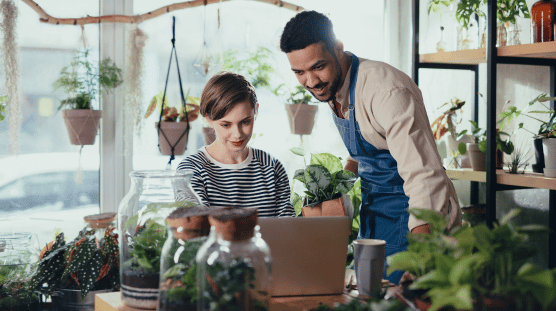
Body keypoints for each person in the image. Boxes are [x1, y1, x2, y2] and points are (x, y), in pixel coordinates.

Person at [280, 11, 462, 283]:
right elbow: (366, 147)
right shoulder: (335, 87)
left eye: (318, 67)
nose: (311, 81)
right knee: (368, 295)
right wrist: (335, 188)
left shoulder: (386, 90)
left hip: (414, 215)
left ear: (338, 48)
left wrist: (422, 254)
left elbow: (424, 174)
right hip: (374, 213)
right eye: (299, 72)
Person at [177, 71, 294, 218]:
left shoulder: (272, 167)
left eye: (245, 122)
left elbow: (288, 228)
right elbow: (195, 229)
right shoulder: (190, 170)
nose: (237, 134)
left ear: (256, 111)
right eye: (226, 125)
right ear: (208, 118)